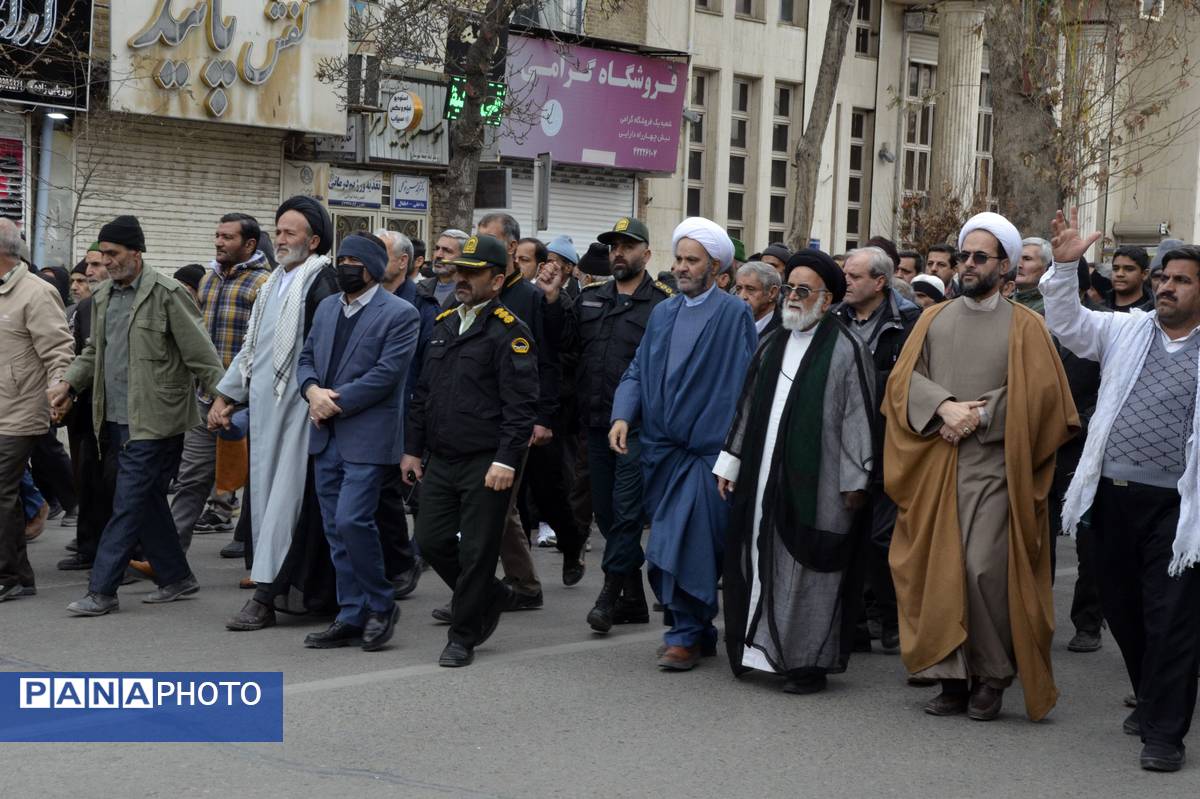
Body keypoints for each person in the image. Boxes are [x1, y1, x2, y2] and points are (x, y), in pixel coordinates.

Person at [882, 211, 1079, 721]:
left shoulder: (1027, 326)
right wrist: (944, 406)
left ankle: (992, 675)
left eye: (979, 257)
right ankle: (950, 676)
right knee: (933, 569)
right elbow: (903, 384)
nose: (967, 265)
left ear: (1005, 266)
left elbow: (1046, 400)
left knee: (981, 570)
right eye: (964, 256)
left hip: (995, 465)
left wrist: (982, 413)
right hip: (935, 461)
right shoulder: (931, 318)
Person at [1043, 210, 1200, 773]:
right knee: (1125, 612)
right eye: (1163, 278)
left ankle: (1163, 734)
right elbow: (1067, 322)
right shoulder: (1126, 330)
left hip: (1178, 510)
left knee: (1172, 618)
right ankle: (1154, 696)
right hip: (1111, 496)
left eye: (1180, 279)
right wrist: (1063, 267)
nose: (1166, 287)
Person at [51, 215, 227, 617]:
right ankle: (177, 576)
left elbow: (201, 355)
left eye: (112, 255)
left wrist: (224, 399)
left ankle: (103, 590)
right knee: (145, 499)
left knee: (127, 502)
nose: (106, 263)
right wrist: (68, 384)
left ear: (136, 252)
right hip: (111, 417)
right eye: (102, 256)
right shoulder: (105, 297)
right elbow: (95, 351)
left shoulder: (168, 294)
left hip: (156, 420)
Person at [717, 250, 875, 693]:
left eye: (804, 291)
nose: (793, 297)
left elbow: (858, 419)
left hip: (819, 485)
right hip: (762, 475)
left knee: (807, 570)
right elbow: (747, 408)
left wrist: (856, 481)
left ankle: (806, 663)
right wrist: (730, 461)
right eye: (789, 289)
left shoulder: (847, 349)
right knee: (759, 557)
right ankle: (759, 649)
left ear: (827, 299)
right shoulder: (771, 343)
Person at [609, 217, 757, 670]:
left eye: (692, 261)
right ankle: (694, 628)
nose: (682, 267)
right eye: (679, 259)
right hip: (662, 452)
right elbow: (637, 369)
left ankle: (684, 635)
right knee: (663, 549)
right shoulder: (664, 312)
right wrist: (622, 413)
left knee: (688, 543)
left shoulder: (734, 314)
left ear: (717, 267)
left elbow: (747, 385)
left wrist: (733, 451)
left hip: (706, 456)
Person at [402, 234, 539, 667]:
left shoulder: (509, 331)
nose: (462, 278)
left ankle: (463, 635)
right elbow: (423, 394)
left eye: (473, 273)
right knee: (430, 538)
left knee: (478, 550)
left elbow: (521, 409)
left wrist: (506, 460)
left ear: (497, 281)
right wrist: (411, 450)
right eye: (460, 270)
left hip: (486, 460)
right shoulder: (443, 323)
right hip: (442, 457)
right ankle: (493, 593)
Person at [213, 196, 339, 631]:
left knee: (287, 505)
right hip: (267, 411)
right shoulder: (271, 285)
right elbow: (254, 350)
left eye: (291, 233)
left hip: (302, 413)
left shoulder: (322, 282)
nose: (281, 240)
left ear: (315, 240)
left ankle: (266, 596)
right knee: (269, 503)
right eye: (279, 231)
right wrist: (226, 396)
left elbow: (327, 351)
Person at [295, 233, 419, 652]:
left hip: (367, 437)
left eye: (353, 259)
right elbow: (306, 357)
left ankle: (381, 605)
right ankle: (351, 612)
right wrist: (312, 390)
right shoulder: (329, 307)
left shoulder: (400, 314)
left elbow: (387, 375)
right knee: (334, 529)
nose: (344, 266)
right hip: (324, 435)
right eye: (340, 258)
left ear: (372, 267)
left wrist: (333, 403)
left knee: (353, 521)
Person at [565, 217, 672, 633]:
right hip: (594, 424)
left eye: (628, 246)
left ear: (646, 253)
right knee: (608, 516)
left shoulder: (662, 303)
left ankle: (609, 596)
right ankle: (634, 600)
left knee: (627, 515)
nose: (618, 253)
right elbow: (569, 356)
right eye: (613, 247)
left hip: (637, 428)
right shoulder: (590, 298)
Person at [832, 246, 921, 654]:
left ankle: (894, 620)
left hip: (891, 445)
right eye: (845, 276)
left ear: (880, 282)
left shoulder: (911, 323)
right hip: (844, 446)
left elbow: (916, 383)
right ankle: (853, 625)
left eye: (854, 277)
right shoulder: (834, 320)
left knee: (885, 540)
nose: (845, 283)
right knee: (846, 536)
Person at [476, 212, 566, 609]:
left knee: (500, 503)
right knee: (482, 504)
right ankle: (506, 583)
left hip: (515, 417)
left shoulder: (531, 298)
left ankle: (518, 585)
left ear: (511, 247)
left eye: (490, 240)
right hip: (475, 415)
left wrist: (543, 417)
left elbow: (546, 361)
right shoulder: (475, 291)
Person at [172, 215, 272, 553]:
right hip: (204, 397)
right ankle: (169, 559)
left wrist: (233, 396)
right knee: (191, 479)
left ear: (249, 244)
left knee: (259, 484)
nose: (218, 242)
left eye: (227, 237)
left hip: (247, 403)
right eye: (216, 235)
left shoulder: (266, 284)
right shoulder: (208, 280)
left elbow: (260, 347)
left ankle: (262, 566)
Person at [0, 220, 74, 601]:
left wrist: (58, 392)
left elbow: (59, 350)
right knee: (6, 493)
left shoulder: (36, 293)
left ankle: (9, 576)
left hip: (21, 410)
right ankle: (18, 575)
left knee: (2, 488)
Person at [374, 228, 434, 598]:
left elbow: (429, 369)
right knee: (381, 493)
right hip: (374, 412)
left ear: (403, 261)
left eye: (381, 251)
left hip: (411, 412)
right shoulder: (364, 299)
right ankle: (396, 559)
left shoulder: (423, 307)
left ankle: (409, 558)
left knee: (407, 493)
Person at [418, 228, 468, 309]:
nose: (438, 255)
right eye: (437, 248)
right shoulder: (421, 287)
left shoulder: (469, 293)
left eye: (447, 251)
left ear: (463, 257)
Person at [734, 261, 782, 338]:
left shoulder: (786, 331)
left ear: (772, 293)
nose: (742, 296)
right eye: (738, 289)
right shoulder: (728, 323)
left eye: (750, 289)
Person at [1105, 245, 1155, 312]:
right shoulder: (1097, 310)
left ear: (1145, 274)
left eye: (1129, 269)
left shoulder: (1155, 313)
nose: (1119, 274)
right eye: (1115, 268)